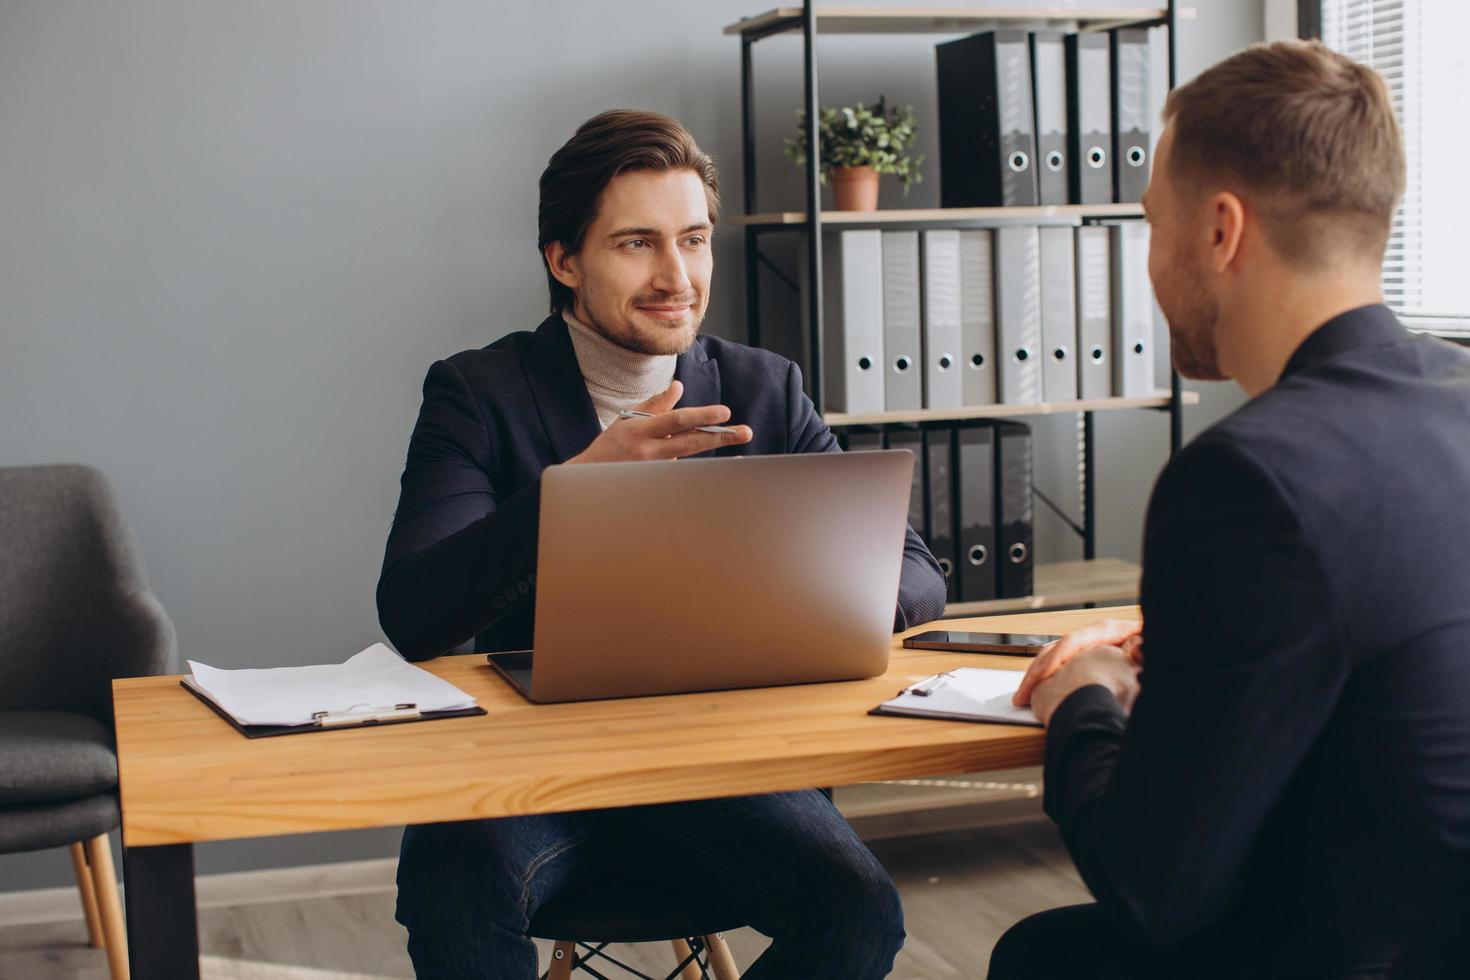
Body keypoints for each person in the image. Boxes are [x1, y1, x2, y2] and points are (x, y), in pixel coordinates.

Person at [376, 108, 946, 979]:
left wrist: (802, 601)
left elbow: (918, 575)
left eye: (694, 239)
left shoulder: (764, 388)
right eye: (637, 243)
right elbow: (415, 612)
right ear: (563, 260)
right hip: (532, 765)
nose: (676, 275)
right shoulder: (475, 393)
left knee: (858, 914)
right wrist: (577, 487)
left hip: (716, 765)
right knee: (455, 885)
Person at [990, 40, 1470, 979]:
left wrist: (1077, 693)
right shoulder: (1456, 393)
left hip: (1358, 950)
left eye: (1152, 223)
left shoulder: (1246, 480)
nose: (1152, 260)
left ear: (1220, 231)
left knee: (1042, 957)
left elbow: (1149, 889)